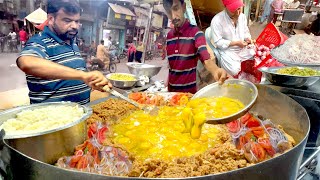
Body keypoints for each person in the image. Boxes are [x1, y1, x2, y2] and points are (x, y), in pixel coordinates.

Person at [16, 0, 111, 105]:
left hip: (81, 114)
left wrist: (92, 80)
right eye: (67, 20)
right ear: (51, 19)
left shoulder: (72, 43)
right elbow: (27, 63)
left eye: (77, 21)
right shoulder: (40, 41)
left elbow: (74, 75)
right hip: (53, 119)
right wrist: (82, 75)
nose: (75, 26)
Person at [163, 0, 227, 94]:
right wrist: (167, 82)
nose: (173, 16)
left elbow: (206, 58)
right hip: (171, 96)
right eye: (168, 11)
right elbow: (173, 65)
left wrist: (216, 70)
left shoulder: (196, 33)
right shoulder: (169, 36)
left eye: (176, 9)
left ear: (184, 7)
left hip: (188, 96)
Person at [211, 0, 253, 76]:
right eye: (233, 9)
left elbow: (246, 32)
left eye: (239, 8)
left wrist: (248, 39)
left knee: (254, 56)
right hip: (228, 51)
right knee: (235, 71)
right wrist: (236, 43)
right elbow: (218, 42)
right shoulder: (217, 20)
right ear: (225, 7)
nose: (238, 13)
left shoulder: (242, 17)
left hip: (242, 48)